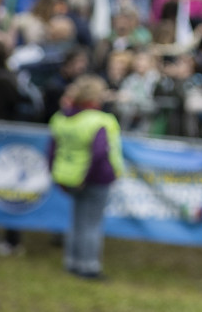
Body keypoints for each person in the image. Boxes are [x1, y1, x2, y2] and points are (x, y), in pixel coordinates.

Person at [47, 74, 122, 281]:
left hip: (69, 178)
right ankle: (89, 267)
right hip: (94, 179)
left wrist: (58, 175)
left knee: (77, 221)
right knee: (91, 225)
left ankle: (72, 262)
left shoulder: (61, 118)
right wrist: (86, 177)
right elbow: (100, 153)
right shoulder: (99, 121)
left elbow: (52, 150)